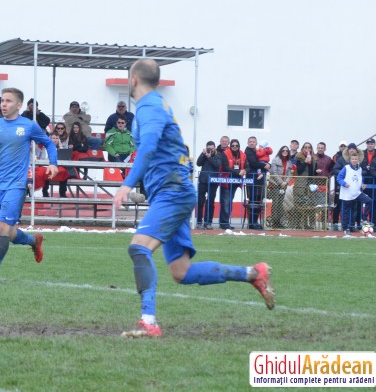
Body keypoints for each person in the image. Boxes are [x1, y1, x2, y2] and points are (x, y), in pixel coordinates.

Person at [112, 59, 274, 338]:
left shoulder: (149, 107)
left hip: (172, 191)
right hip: (174, 190)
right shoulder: (157, 105)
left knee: (139, 248)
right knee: (181, 272)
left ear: (134, 79)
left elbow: (148, 147)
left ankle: (149, 321)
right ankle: (252, 273)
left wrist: (126, 184)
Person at [0, 88, 57, 284]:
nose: (4, 104)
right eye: (2, 100)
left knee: (2, 228)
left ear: (19, 105)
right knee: (6, 232)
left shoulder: (28, 126)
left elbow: (49, 144)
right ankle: (34, 241)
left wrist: (53, 163)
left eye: (8, 101)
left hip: (16, 185)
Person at [337, 152, 372, 237]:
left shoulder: (359, 169)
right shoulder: (346, 168)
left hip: (356, 192)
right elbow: (339, 178)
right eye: (353, 159)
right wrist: (344, 184)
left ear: (358, 160)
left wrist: (362, 184)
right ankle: (345, 228)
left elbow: (359, 179)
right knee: (346, 211)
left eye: (356, 159)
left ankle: (364, 219)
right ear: (350, 160)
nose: (354, 160)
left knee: (369, 201)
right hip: (347, 193)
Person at [195, 141, 224, 229]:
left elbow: (217, 165)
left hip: (213, 182)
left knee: (210, 202)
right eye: (209, 148)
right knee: (200, 201)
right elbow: (198, 163)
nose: (210, 150)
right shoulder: (204, 154)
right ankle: (199, 222)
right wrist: (203, 154)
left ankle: (208, 222)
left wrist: (210, 157)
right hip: (203, 181)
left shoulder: (218, 155)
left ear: (214, 148)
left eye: (212, 148)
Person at [219, 138, 246, 230]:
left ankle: (225, 222)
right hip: (226, 181)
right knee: (226, 202)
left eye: (236, 145)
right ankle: (224, 223)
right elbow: (225, 167)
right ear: (230, 146)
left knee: (229, 202)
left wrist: (244, 171)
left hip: (236, 182)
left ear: (239, 146)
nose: (235, 147)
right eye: (233, 145)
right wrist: (238, 172)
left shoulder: (242, 154)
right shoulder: (225, 153)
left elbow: (247, 166)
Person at [244, 136, 269, 230]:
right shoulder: (248, 151)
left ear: (256, 143)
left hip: (259, 180)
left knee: (258, 201)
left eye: (253, 142)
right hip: (252, 180)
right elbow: (253, 163)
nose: (252, 143)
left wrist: (268, 164)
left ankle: (255, 221)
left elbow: (264, 160)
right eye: (250, 141)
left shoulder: (258, 151)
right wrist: (265, 165)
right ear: (247, 143)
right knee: (253, 201)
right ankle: (252, 223)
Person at [267, 146, 294, 228]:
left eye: (286, 151)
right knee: (276, 203)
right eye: (283, 150)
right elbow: (273, 172)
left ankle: (279, 222)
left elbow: (289, 173)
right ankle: (274, 222)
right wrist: (281, 182)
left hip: (284, 185)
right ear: (280, 151)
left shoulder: (289, 162)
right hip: (275, 185)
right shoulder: (275, 160)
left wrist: (286, 182)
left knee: (280, 204)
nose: (285, 152)